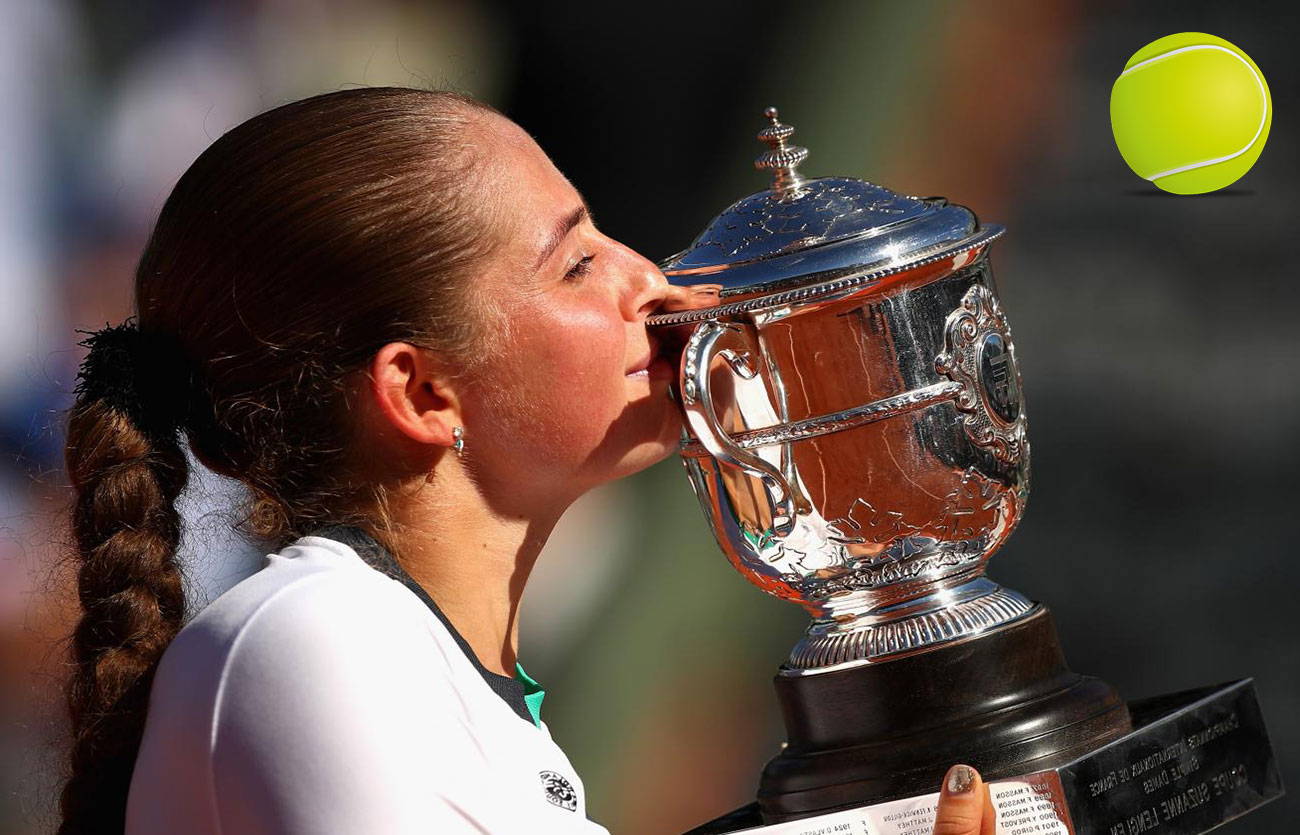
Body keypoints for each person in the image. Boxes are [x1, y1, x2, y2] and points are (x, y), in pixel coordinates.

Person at [58, 87, 995, 834]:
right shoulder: (315, 639)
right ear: (423, 393)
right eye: (578, 263)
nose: (655, 283)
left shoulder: (423, 667)